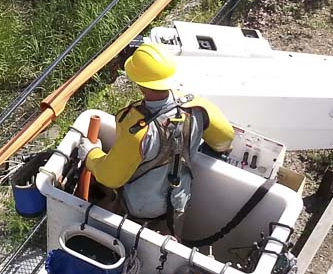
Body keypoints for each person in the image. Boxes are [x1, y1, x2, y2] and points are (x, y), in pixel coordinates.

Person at [81, 42, 234, 240]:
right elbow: (224, 139)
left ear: (140, 84)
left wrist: (91, 154)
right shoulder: (199, 108)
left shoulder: (137, 130)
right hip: (178, 204)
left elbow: (111, 177)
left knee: (128, 245)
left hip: (138, 208)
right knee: (165, 253)